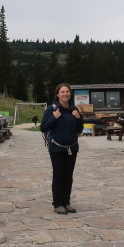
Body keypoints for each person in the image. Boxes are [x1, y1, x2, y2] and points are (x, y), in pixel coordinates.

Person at [40, 83, 84, 215]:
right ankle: (58, 203)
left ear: (70, 94)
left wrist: (78, 118)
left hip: (72, 148)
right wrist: (54, 117)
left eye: (67, 92)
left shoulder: (74, 109)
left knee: (68, 176)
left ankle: (66, 202)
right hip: (57, 148)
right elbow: (43, 128)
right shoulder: (51, 109)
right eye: (62, 92)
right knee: (58, 175)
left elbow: (79, 129)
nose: (65, 94)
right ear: (58, 94)